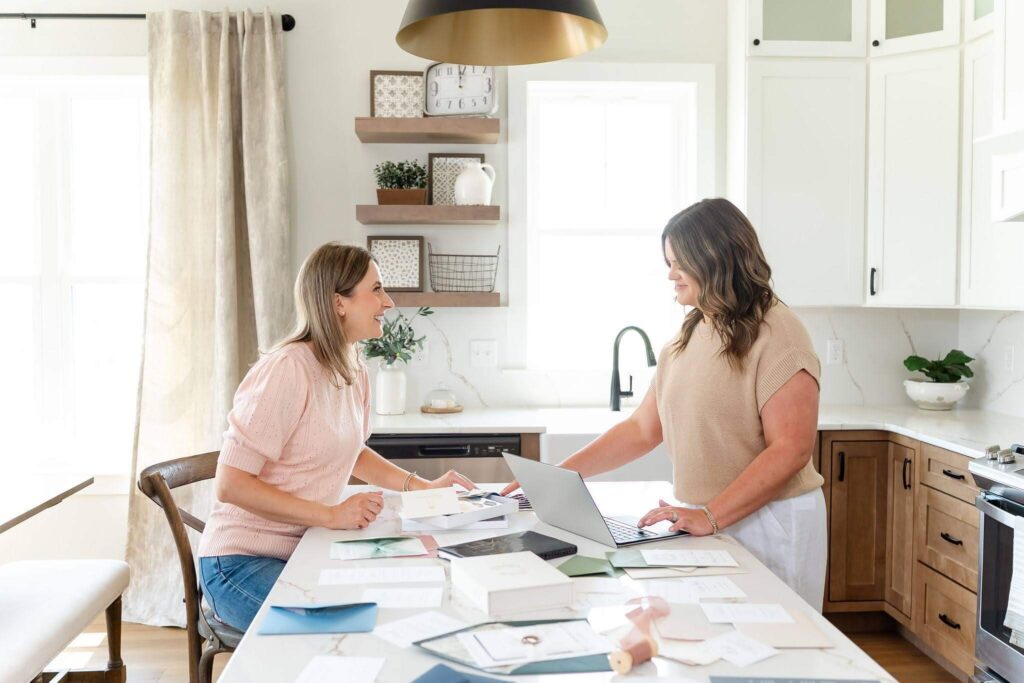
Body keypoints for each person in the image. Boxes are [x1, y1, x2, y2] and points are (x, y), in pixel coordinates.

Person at [502, 198, 826, 610]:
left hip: (770, 521)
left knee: (781, 653)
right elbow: (642, 429)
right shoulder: (690, 334)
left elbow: (791, 449)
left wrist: (711, 515)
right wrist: (556, 477)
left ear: (715, 258)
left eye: (679, 262)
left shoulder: (779, 332)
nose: (670, 274)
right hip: (704, 515)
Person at [197, 243, 475, 631]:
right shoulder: (286, 370)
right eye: (376, 289)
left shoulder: (353, 366)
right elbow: (230, 484)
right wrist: (331, 514)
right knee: (342, 629)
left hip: (306, 547)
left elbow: (353, 452)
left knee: (395, 607)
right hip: (240, 562)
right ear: (338, 303)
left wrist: (421, 488)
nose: (388, 302)